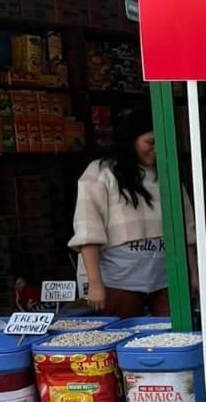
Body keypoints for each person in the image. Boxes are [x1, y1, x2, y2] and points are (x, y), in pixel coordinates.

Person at [69, 110, 195, 318]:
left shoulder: (167, 174)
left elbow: (186, 228)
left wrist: (193, 274)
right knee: (123, 331)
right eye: (150, 142)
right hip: (119, 280)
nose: (156, 149)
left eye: (162, 142)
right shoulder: (101, 172)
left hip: (167, 277)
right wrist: (95, 284)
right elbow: (88, 232)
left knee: (173, 332)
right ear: (131, 140)